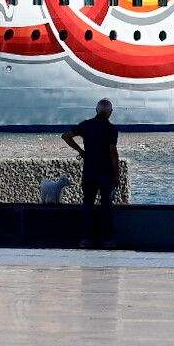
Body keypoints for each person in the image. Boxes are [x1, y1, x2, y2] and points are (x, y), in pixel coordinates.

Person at [63, 99, 121, 247]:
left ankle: (86, 239)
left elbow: (66, 136)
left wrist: (81, 151)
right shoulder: (111, 129)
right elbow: (113, 153)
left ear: (96, 110)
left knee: (88, 205)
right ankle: (107, 239)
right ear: (110, 113)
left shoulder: (86, 125)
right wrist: (117, 174)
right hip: (106, 172)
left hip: (89, 171)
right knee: (106, 206)